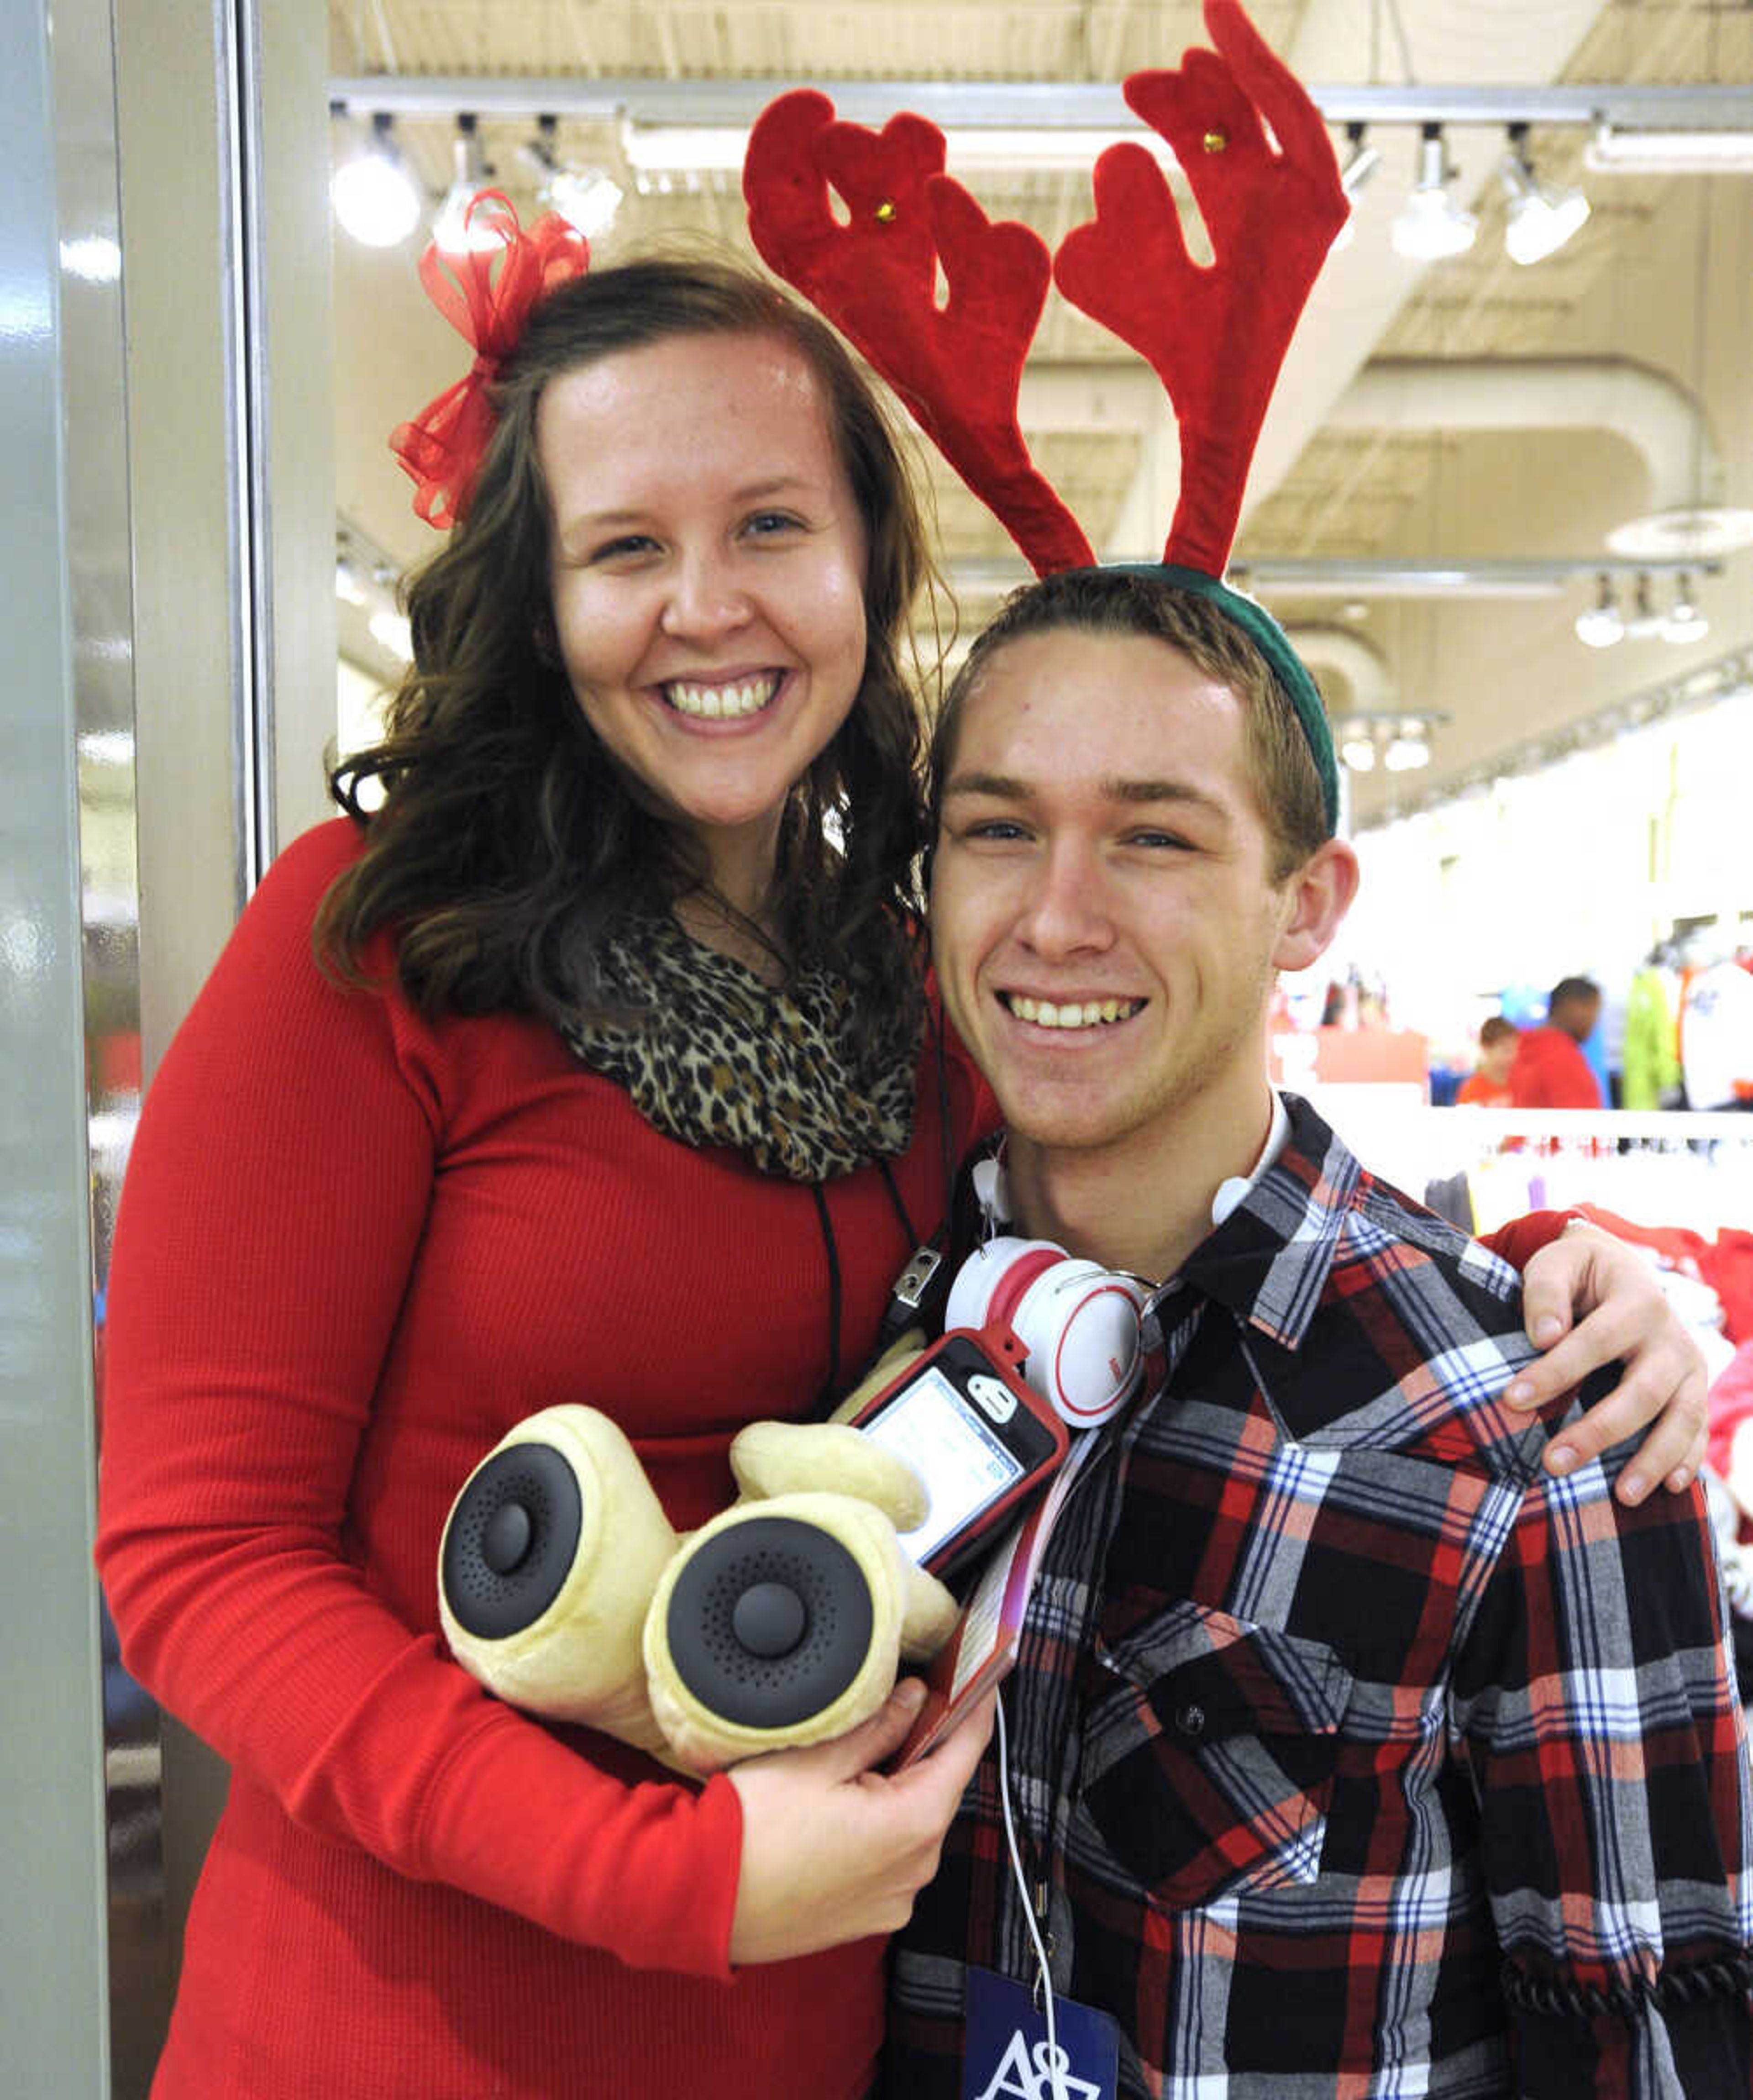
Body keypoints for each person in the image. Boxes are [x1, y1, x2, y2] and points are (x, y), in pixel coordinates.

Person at [94, 236, 1711, 2100]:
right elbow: (198, 1553)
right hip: (419, 2027)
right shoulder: (389, 950)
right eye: (626, 547)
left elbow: (1153, 1191)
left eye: (772, 525)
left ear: (869, 565)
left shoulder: (910, 987)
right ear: (540, 597)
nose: (710, 607)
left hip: (825, 2035)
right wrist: (655, 1875)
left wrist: (1546, 1282)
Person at [884, 568, 1752, 2098]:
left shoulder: (1539, 1422)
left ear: (1309, 903)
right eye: (998, 828)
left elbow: (1649, 2041)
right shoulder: (863, 1321)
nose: (1057, 912)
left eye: (1154, 834)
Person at [1510, 975, 1607, 1109]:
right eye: (1592, 1010)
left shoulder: (1519, 1049)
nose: (1594, 1021)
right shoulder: (1563, 1058)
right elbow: (1582, 1123)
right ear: (1573, 1007)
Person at [1456, 1013, 1518, 1106]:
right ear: (1486, 1048)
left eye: (1516, 1049)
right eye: (1506, 1050)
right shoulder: (1472, 1089)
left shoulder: (1521, 1084)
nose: (1513, 1056)